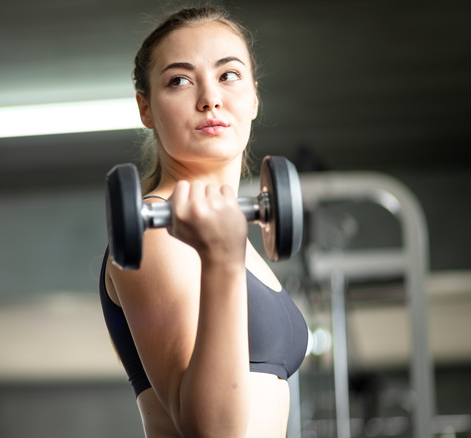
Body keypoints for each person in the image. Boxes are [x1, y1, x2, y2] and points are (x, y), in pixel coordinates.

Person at [99, 6, 308, 438]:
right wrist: (222, 260)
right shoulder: (157, 234)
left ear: (254, 97)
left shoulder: (233, 239)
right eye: (179, 80)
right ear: (146, 109)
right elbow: (211, 432)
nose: (210, 98)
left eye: (228, 75)